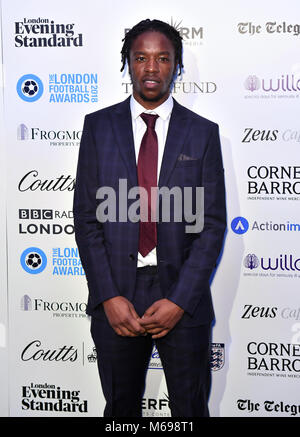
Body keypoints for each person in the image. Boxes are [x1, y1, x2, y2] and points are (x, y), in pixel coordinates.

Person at [73, 18, 226, 417]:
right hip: (116, 295)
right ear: (128, 63)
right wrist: (108, 295)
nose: (152, 68)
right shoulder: (98, 127)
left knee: (190, 410)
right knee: (121, 409)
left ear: (177, 66)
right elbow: (87, 219)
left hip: (182, 296)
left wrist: (178, 300)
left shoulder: (203, 133)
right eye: (141, 57)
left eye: (163, 58)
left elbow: (211, 226)